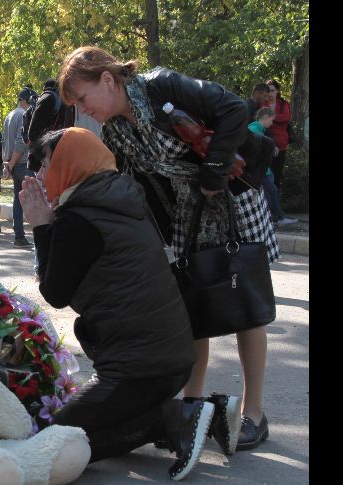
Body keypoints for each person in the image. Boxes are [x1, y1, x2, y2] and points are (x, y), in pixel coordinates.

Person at [58, 45, 279, 452]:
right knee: (191, 304)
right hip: (186, 213)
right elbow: (130, 187)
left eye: (83, 99)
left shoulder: (163, 86)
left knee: (245, 307)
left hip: (232, 198)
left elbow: (232, 109)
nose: (85, 111)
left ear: (107, 80)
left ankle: (255, 414)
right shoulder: (116, 133)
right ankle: (193, 407)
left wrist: (214, 172)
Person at [20, 127, 216, 481]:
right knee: (77, 432)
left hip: (140, 369)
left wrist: (40, 226)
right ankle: (173, 415)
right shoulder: (117, 198)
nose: (39, 174)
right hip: (168, 360)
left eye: (46, 164)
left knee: (52, 440)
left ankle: (173, 418)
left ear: (68, 164)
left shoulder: (79, 218)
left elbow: (55, 294)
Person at [249, 108, 297, 225]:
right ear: (265, 118)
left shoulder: (259, 130)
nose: (271, 124)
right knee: (273, 191)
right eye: (271, 121)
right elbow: (255, 151)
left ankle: (270, 218)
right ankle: (280, 218)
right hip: (259, 170)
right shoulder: (253, 129)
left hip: (264, 169)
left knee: (268, 194)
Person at [2, 88, 36, 247]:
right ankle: (30, 235)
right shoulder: (24, 115)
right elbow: (21, 142)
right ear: (27, 100)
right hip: (21, 163)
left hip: (13, 164)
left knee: (18, 199)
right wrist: (12, 163)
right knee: (33, 199)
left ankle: (19, 235)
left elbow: (4, 142)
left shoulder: (10, 115)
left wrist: (7, 164)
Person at [264, 79, 292, 192]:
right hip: (266, 143)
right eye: (268, 90)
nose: (270, 93)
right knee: (266, 175)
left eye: (272, 90)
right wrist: (276, 118)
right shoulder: (263, 104)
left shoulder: (283, 104)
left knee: (277, 174)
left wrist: (270, 117)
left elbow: (286, 118)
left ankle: (275, 202)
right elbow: (261, 121)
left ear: (277, 91)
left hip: (281, 144)